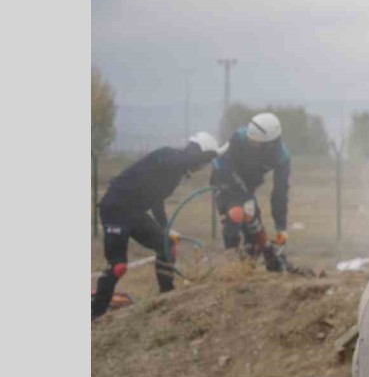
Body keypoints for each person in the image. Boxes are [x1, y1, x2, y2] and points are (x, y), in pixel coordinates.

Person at [92, 132, 222, 319]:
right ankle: (95, 314)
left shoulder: (176, 173)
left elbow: (156, 199)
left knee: (166, 245)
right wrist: (211, 154)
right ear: (197, 152)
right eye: (202, 162)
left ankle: (166, 297)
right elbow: (180, 161)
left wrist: (164, 227)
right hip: (115, 208)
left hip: (135, 212)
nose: (201, 167)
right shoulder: (168, 155)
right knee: (118, 266)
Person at [211, 112, 292, 271]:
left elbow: (280, 193)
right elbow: (223, 165)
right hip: (225, 179)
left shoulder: (282, 157)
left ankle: (249, 267)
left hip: (247, 186)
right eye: (251, 142)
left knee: (254, 231)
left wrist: (280, 226)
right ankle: (232, 261)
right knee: (236, 213)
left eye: (257, 144)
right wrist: (245, 195)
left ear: (272, 143)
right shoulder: (240, 137)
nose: (252, 145)